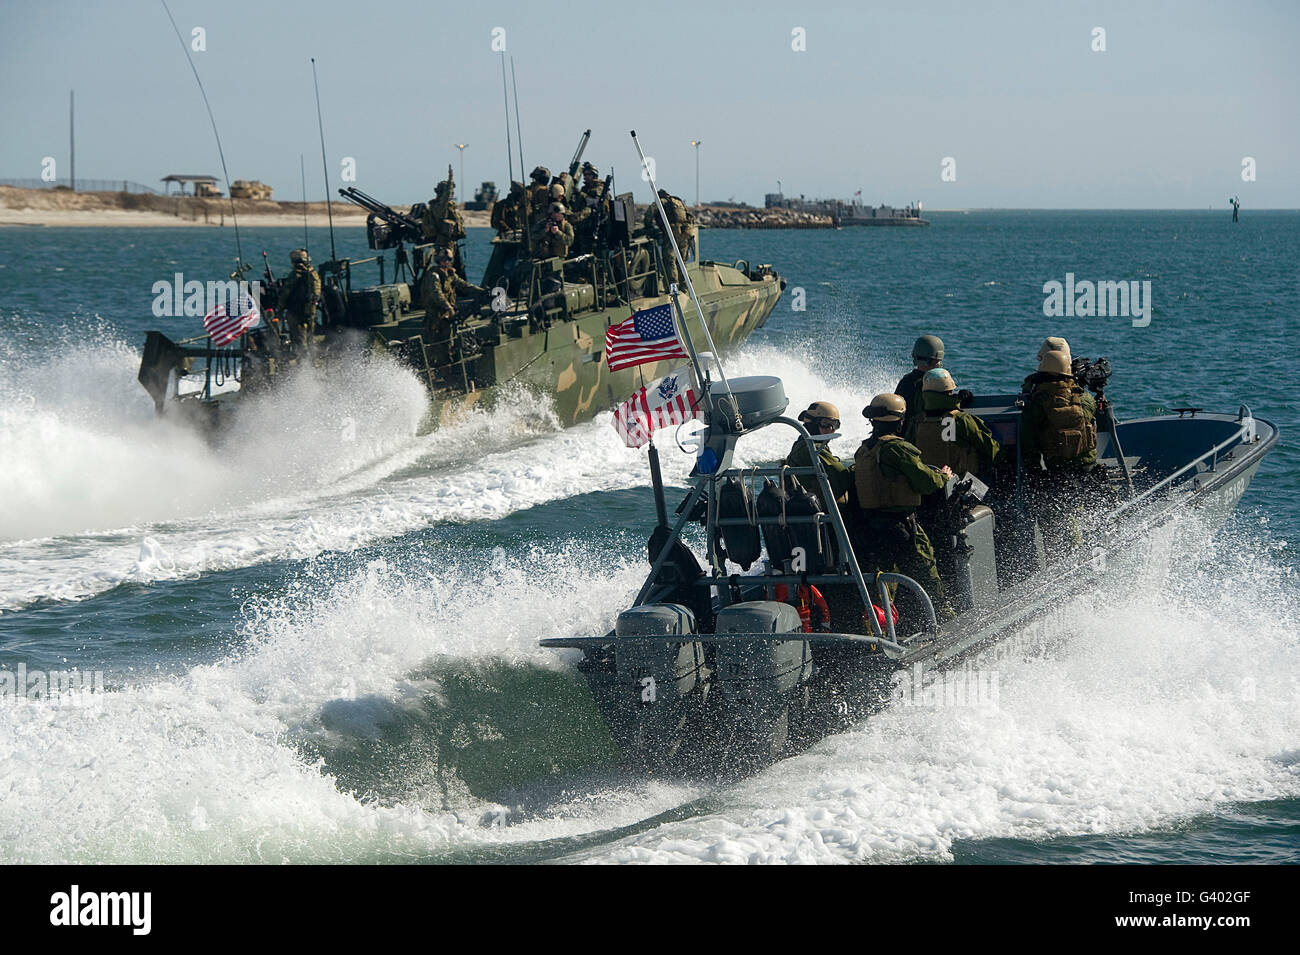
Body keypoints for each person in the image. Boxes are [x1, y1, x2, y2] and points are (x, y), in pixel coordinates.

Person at [855, 393, 953, 619]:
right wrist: (943, 477)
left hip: (873, 527)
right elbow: (926, 482)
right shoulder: (897, 449)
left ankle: (882, 627)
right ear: (900, 421)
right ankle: (944, 619)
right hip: (903, 526)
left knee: (884, 582)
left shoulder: (864, 450)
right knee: (928, 575)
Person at [1020, 349, 1099, 558]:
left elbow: (1028, 440)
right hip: (1086, 469)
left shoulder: (1038, 402)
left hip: (1057, 470)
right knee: (1080, 511)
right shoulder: (1085, 398)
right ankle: (1085, 550)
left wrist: (1034, 472)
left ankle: (1060, 558)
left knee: (1056, 518)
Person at [419, 248, 483, 367]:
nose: (446, 262)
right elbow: (436, 293)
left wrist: (481, 291)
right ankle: (435, 371)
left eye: (449, 259)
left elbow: (464, 285)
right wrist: (448, 307)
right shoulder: (434, 275)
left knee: (449, 344)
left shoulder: (450, 274)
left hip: (446, 317)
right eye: (443, 260)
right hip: (435, 317)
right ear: (439, 261)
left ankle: (448, 370)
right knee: (434, 345)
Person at [784, 401, 853, 511]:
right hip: (824, 515)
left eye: (835, 425)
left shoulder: (803, 445)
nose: (830, 429)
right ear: (813, 424)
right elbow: (843, 478)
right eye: (825, 423)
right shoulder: (812, 449)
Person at [643, 189, 695, 287]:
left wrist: (648, 226)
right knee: (682, 261)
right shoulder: (678, 202)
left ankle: (673, 285)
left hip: (672, 233)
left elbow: (650, 213)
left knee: (669, 260)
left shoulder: (662, 202)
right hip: (685, 232)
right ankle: (685, 285)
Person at [894, 335, 944, 434]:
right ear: (936, 360)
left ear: (915, 357)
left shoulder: (906, 382)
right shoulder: (939, 381)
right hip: (929, 436)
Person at [278, 248, 320, 347]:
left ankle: (302, 357)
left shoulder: (295, 274)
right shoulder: (313, 274)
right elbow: (317, 291)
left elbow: (286, 294)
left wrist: (279, 309)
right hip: (310, 309)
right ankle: (310, 354)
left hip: (296, 310)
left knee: (298, 336)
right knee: (309, 334)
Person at [421, 175, 466, 260]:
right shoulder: (439, 207)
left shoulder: (449, 207)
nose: (452, 194)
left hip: (451, 243)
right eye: (450, 191)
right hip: (443, 244)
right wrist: (450, 180)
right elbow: (444, 201)